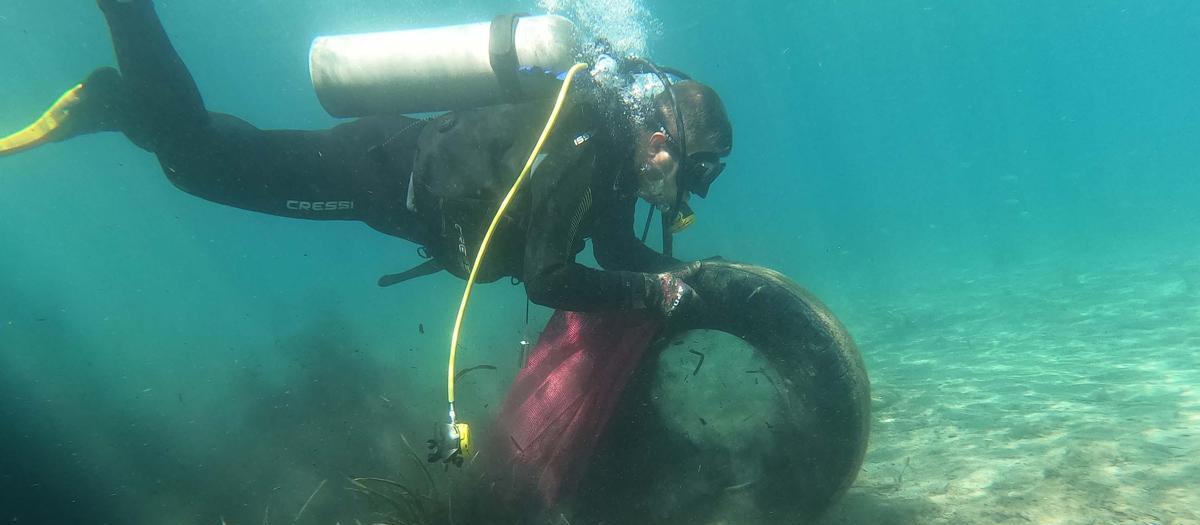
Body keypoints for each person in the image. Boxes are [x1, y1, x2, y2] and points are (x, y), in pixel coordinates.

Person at [1, 0, 734, 317]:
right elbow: (546, 280)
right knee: (198, 163)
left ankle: (119, 99)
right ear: (664, 138)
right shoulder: (584, 144)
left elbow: (608, 244)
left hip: (395, 161)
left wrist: (683, 276)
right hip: (376, 172)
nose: (683, 193)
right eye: (695, 171)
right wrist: (651, 295)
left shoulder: (607, 152)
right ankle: (120, 65)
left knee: (218, 155)